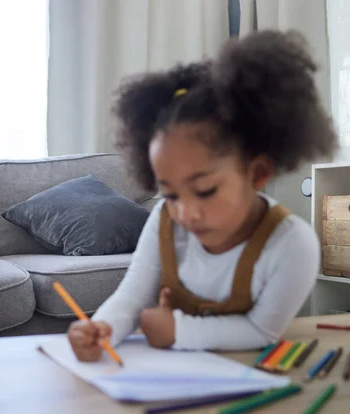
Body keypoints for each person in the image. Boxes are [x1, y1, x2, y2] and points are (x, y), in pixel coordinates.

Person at [67, 29, 338, 359]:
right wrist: (103, 328)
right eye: (170, 195)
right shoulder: (165, 223)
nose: (185, 214)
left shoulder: (292, 244)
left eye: (205, 191)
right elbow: (133, 297)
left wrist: (177, 330)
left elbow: (262, 330)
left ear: (257, 173)